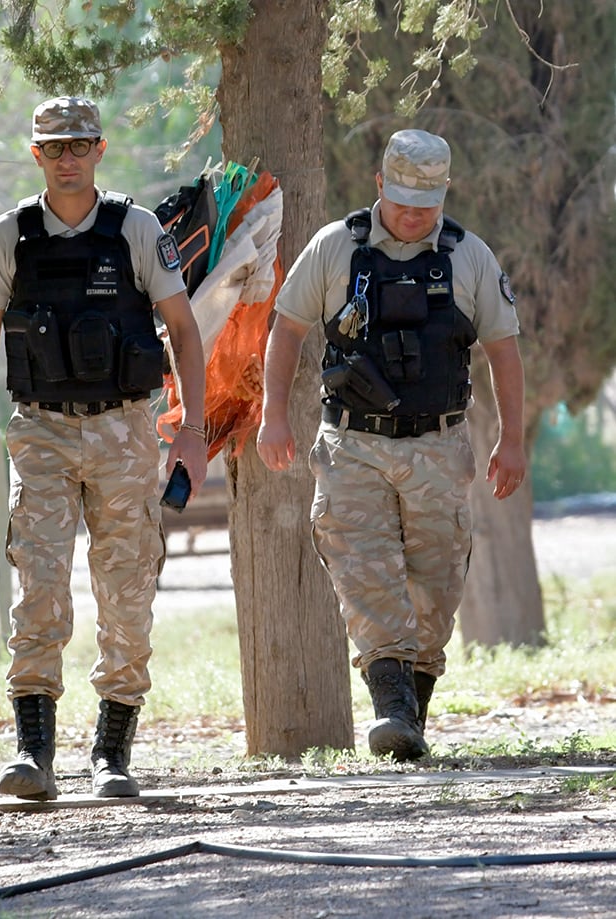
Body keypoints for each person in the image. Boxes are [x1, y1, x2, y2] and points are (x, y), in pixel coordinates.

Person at [0, 96, 209, 800]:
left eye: (79, 144)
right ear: (35, 154)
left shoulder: (135, 229)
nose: (67, 157)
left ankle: (112, 751)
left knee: (126, 587)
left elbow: (184, 332)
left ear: (100, 148)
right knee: (37, 585)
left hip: (124, 429)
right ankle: (32, 751)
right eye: (53, 146)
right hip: (39, 429)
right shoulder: (11, 235)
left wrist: (192, 426)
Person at [256, 129, 525, 761]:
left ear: (444, 195)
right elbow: (287, 330)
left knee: (436, 589)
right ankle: (392, 709)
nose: (413, 214)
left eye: (427, 203)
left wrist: (512, 439)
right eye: (403, 199)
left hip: (439, 444)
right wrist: (273, 415)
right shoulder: (334, 248)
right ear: (380, 185)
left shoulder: (468, 257)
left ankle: (410, 717)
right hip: (353, 445)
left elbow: (503, 350)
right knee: (366, 575)